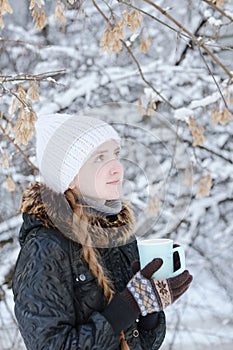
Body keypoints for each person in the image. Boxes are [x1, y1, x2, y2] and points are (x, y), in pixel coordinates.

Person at [12, 114, 193, 350]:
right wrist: (129, 306)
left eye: (115, 154)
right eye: (100, 158)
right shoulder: (45, 247)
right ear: (70, 176)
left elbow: (142, 344)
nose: (117, 168)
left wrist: (149, 311)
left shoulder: (118, 237)